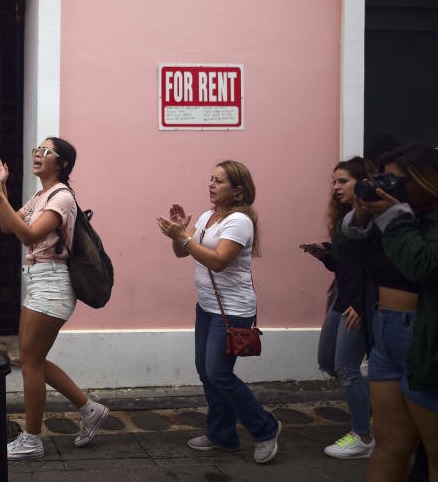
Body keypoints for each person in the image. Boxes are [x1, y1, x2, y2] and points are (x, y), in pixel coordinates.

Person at [0, 137, 109, 460]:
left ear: (62, 165)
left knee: (31, 362)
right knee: (34, 358)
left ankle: (32, 440)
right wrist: (0, 191)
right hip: (39, 280)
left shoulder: (61, 198)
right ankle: (89, 409)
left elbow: (30, 235)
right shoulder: (40, 196)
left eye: (47, 152)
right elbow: (9, 226)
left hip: (53, 282)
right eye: (38, 149)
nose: (38, 154)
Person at [157, 160, 281, 464]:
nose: (211, 185)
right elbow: (182, 252)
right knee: (207, 371)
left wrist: (184, 237)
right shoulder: (208, 216)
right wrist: (179, 233)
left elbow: (218, 261)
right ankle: (222, 435)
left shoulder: (239, 221)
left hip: (233, 310)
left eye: (219, 181)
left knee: (219, 373)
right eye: (211, 179)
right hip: (208, 306)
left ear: (237, 190)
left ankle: (265, 428)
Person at [341, 144, 438, 482]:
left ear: (426, 180)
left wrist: (395, 217)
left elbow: (422, 266)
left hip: (425, 337)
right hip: (385, 331)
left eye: (395, 181)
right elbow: (349, 258)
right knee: (390, 444)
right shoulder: (396, 217)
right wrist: (362, 219)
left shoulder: (414, 220)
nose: (386, 189)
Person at [303, 157, 376, 459]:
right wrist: (326, 256)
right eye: (333, 182)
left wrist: (361, 304)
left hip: (359, 303)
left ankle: (364, 436)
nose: (335, 187)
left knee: (347, 368)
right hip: (342, 297)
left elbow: (372, 267)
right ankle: (380, 409)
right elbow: (346, 267)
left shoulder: (371, 219)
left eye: (342, 181)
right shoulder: (346, 218)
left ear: (363, 182)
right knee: (328, 362)